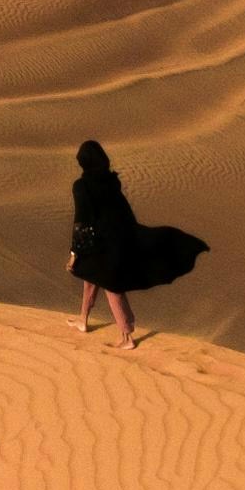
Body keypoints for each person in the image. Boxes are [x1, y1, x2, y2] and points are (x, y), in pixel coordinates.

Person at [68, 139, 207, 352]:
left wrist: (74, 253)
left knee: (112, 286)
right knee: (90, 278)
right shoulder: (110, 181)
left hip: (103, 242)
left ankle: (127, 336)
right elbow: (123, 210)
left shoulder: (82, 186)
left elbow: (82, 220)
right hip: (118, 236)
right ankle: (83, 320)